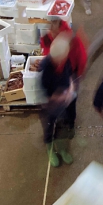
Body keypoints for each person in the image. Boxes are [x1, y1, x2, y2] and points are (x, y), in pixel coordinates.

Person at [39, 33, 78, 167]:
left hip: (65, 99)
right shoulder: (46, 67)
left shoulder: (64, 60)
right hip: (51, 104)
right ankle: (50, 150)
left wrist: (71, 88)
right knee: (49, 128)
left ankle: (62, 149)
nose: (63, 60)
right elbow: (45, 91)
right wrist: (62, 97)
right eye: (61, 58)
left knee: (62, 127)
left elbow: (69, 76)